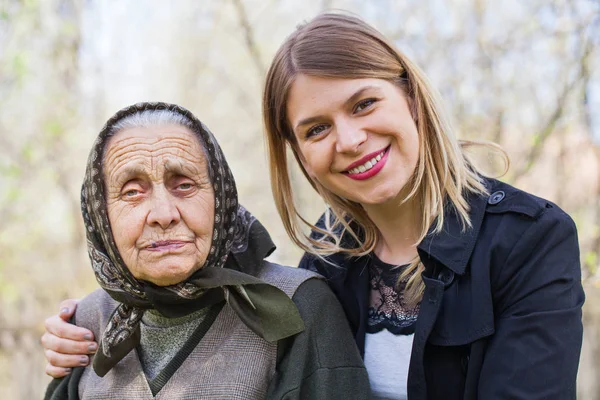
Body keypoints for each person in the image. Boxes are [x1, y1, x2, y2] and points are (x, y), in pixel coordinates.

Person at [42, 13, 584, 400]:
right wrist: (86, 322)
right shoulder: (328, 259)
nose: (349, 140)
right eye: (316, 128)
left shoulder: (529, 239)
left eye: (365, 103)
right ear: (298, 153)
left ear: (411, 98)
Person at [43, 102, 370, 400]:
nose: (163, 213)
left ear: (221, 199)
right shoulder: (85, 326)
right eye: (132, 192)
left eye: (184, 185)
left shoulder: (296, 303)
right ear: (101, 217)